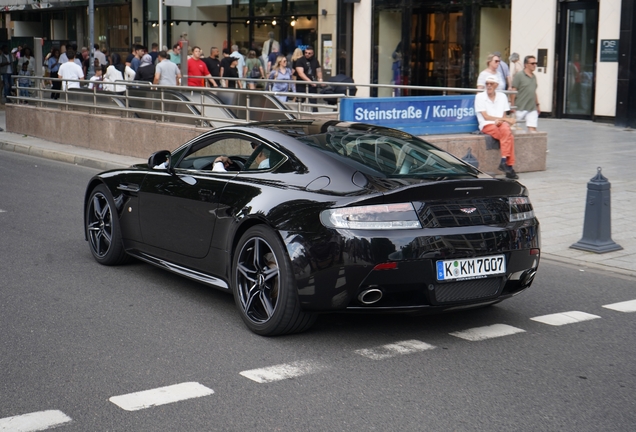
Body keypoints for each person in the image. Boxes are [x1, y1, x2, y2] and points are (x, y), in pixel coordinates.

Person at [474, 75, 518, 179]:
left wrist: (502, 120)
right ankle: (508, 166)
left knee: (506, 131)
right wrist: (504, 120)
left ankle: (505, 163)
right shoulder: (480, 97)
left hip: (501, 124)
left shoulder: (502, 96)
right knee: (508, 135)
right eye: (487, 84)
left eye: (491, 84)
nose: (488, 86)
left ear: (496, 85)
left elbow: (503, 115)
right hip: (486, 124)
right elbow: (486, 116)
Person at [511, 55, 540, 132]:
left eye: (535, 63)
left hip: (531, 107)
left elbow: (534, 91)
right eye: (532, 63)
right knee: (512, 128)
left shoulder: (534, 77)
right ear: (526, 65)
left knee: (532, 129)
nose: (534, 65)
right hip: (520, 106)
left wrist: (537, 105)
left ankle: (532, 143)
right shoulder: (519, 75)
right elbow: (513, 90)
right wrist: (512, 105)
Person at [295, 46, 323, 111]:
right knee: (300, 101)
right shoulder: (300, 60)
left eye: (309, 53)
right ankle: (298, 116)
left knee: (314, 103)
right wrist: (310, 82)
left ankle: (315, 117)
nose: (307, 54)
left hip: (312, 85)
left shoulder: (315, 60)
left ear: (312, 54)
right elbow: (300, 73)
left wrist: (320, 79)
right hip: (301, 85)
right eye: (306, 53)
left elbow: (318, 70)